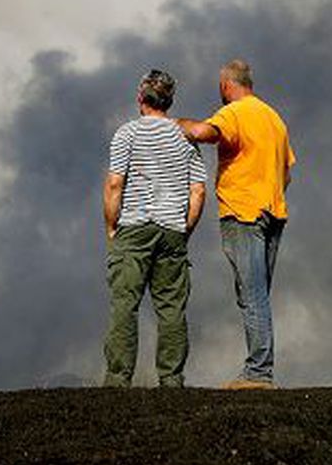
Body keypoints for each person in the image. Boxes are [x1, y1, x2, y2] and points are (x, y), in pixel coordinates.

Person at [177, 59, 295, 389]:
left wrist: (174, 124)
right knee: (258, 293)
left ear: (227, 86)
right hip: (273, 211)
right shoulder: (274, 118)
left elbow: (202, 132)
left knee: (251, 294)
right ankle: (259, 368)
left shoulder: (235, 112)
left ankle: (259, 373)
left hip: (242, 212)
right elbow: (288, 172)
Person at [103, 69, 207, 388]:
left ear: (140, 98)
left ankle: (118, 379)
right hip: (172, 229)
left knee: (125, 303)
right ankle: (171, 379)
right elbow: (198, 191)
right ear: (170, 101)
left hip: (134, 227)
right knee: (172, 307)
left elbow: (114, 184)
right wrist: (185, 228)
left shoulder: (127, 134)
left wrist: (111, 227)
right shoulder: (185, 138)